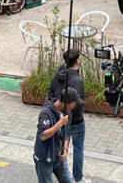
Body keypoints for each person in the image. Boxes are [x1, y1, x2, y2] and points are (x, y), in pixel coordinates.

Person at [48, 48, 90, 183]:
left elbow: (50, 93)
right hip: (75, 120)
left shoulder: (58, 74)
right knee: (78, 148)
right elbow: (78, 104)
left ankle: (62, 172)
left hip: (58, 117)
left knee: (61, 146)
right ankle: (78, 178)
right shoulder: (77, 81)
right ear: (77, 60)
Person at [33, 87, 82, 183]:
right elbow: (42, 136)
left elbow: (67, 133)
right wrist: (60, 123)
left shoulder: (68, 113)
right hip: (44, 158)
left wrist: (65, 149)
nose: (74, 107)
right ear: (66, 102)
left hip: (58, 157)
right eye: (74, 104)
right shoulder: (46, 112)